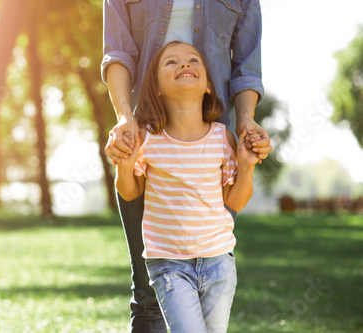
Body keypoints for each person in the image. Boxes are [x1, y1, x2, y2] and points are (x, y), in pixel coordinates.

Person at [101, 0, 272, 331]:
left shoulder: (222, 143)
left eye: (194, 61)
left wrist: (246, 122)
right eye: (174, 62)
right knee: (148, 291)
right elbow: (118, 52)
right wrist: (126, 119)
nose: (186, 65)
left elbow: (247, 65)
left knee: (209, 269)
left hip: (214, 138)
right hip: (141, 128)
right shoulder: (145, 145)